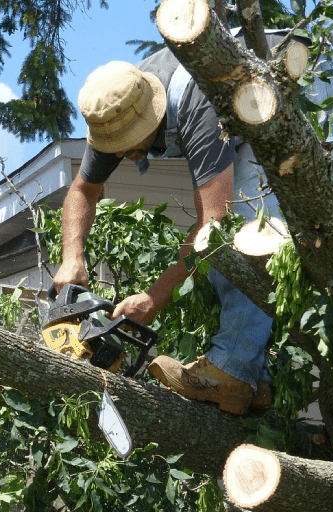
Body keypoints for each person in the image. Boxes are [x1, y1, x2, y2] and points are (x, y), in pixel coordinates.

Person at [53, 47, 280, 415]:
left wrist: (154, 296)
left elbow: (214, 225)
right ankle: (256, 381)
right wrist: (71, 258)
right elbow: (82, 191)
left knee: (245, 232)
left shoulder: (198, 103)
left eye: (129, 147)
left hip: (262, 109)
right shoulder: (114, 110)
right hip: (229, 125)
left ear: (150, 117)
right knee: (225, 240)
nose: (123, 156)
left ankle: (233, 371)